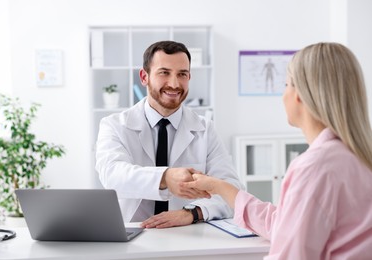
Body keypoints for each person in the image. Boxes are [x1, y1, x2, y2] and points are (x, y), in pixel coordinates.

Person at [183, 42, 372, 259]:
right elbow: (285, 223)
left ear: (300, 94)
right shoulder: (357, 156)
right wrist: (220, 187)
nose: (283, 95)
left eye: (286, 84)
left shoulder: (316, 167)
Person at [95, 40, 242, 229]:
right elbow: (112, 175)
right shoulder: (114, 125)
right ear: (144, 76)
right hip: (131, 232)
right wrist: (165, 178)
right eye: (164, 73)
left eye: (182, 74)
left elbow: (231, 189)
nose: (174, 84)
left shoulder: (205, 129)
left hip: (188, 234)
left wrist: (191, 213)